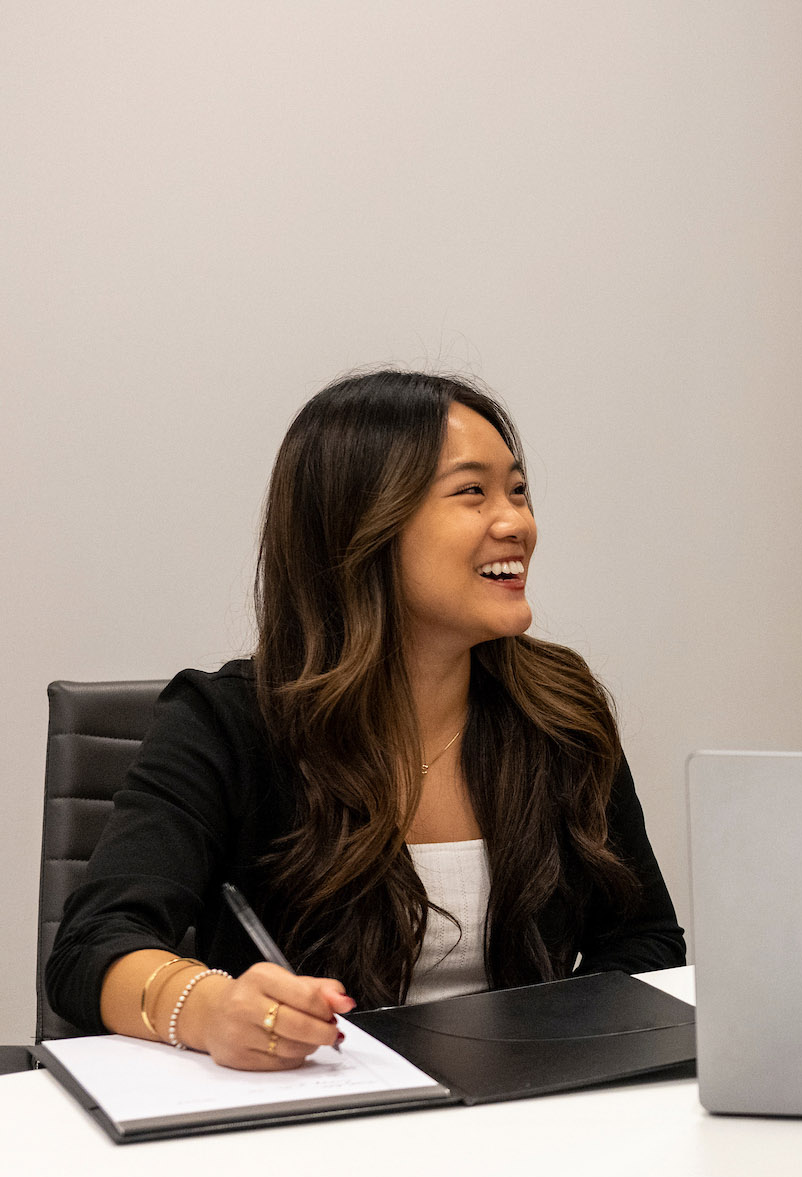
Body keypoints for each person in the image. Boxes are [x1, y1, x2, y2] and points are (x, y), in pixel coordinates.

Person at [47, 370, 686, 1069]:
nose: (517, 523)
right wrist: (206, 1007)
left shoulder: (559, 711)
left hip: (521, 1121)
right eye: (472, 491)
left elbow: (644, 941)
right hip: (310, 1125)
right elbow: (93, 946)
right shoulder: (226, 723)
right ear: (363, 525)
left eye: (519, 490)